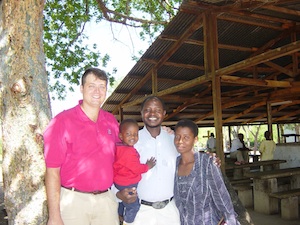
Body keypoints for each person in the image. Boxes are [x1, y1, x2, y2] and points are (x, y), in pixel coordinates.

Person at [117, 96, 221, 225]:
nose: (152, 114)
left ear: (164, 113)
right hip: (139, 212)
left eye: (157, 110)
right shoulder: (131, 141)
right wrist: (118, 194)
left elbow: (190, 159)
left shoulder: (174, 140)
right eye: (148, 109)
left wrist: (209, 158)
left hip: (170, 211)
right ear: (141, 113)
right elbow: (115, 168)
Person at [43, 68, 120, 225]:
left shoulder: (111, 121)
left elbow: (125, 152)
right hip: (73, 203)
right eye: (91, 86)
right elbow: (52, 172)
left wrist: (166, 132)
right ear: (81, 88)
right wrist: (54, 216)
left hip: (106, 202)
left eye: (102, 86)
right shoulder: (62, 121)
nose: (97, 91)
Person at [173, 119, 240, 225]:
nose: (180, 141)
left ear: (195, 139)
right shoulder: (175, 164)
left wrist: (231, 221)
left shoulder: (207, 163)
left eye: (186, 137)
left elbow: (222, 198)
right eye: (177, 137)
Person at [113, 119, 156, 224]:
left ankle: (119, 214)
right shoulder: (127, 152)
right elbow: (136, 168)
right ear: (121, 136)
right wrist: (147, 166)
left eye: (135, 134)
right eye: (128, 134)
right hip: (128, 183)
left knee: (123, 202)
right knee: (134, 205)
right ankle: (128, 220)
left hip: (119, 181)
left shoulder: (120, 147)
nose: (132, 137)